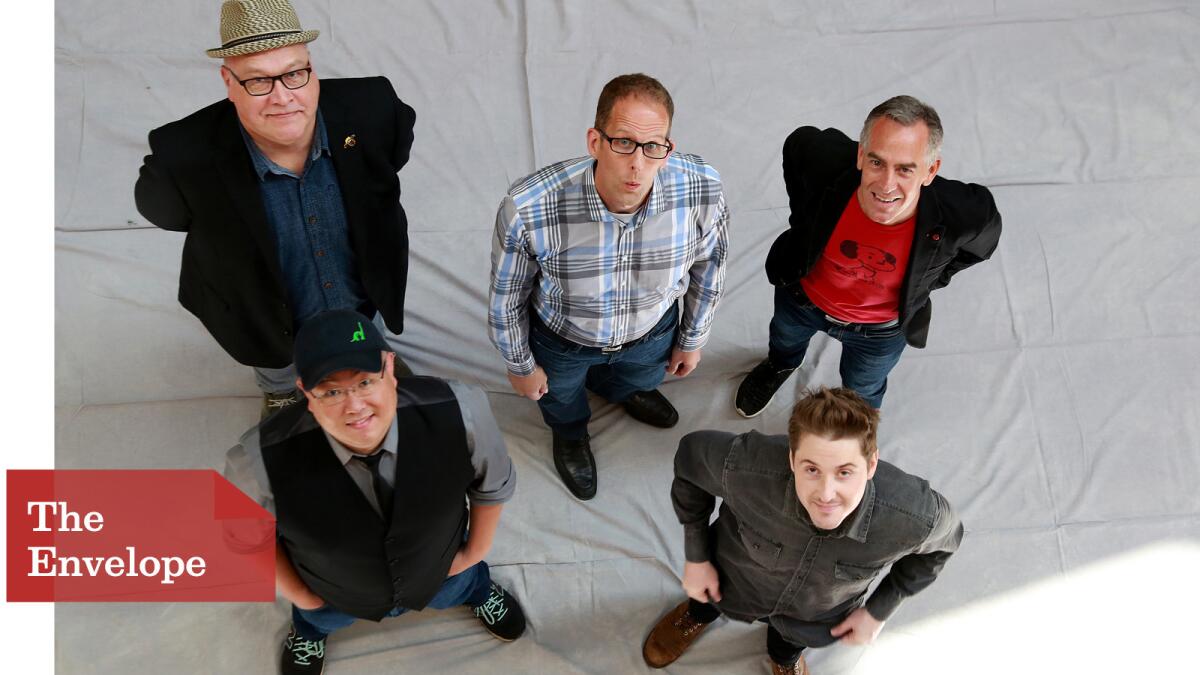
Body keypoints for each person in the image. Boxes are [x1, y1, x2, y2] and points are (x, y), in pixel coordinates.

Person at [135, 0, 417, 418]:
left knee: (361, 318)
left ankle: (365, 362)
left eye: (293, 74)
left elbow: (389, 162)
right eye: (258, 81)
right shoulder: (182, 152)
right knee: (273, 349)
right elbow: (166, 214)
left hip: (357, 284)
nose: (283, 98)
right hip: (262, 302)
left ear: (311, 68)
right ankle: (282, 388)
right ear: (228, 82)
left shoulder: (373, 107)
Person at [224, 309, 525, 674]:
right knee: (319, 618)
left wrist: (474, 553)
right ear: (305, 391)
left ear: (390, 368)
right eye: (332, 390)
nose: (355, 406)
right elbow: (247, 541)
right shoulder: (253, 460)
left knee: (460, 586)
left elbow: (492, 485)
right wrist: (301, 595)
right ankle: (309, 629)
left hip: (441, 568)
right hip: (334, 592)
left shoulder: (463, 410)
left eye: (365, 382)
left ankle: (476, 590)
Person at [488, 73, 729, 500]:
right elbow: (507, 298)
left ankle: (624, 391)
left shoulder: (702, 190)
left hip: (650, 331)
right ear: (595, 142)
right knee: (559, 398)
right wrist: (520, 364)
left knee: (642, 376)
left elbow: (709, 267)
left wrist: (692, 339)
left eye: (654, 146)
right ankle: (570, 433)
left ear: (668, 147)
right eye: (623, 143)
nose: (638, 164)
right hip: (562, 338)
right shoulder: (530, 207)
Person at [644, 387, 962, 674]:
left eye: (844, 472)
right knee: (706, 599)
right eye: (812, 469)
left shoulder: (914, 515)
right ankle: (697, 614)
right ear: (793, 460)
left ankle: (784, 658)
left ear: (871, 464)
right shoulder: (745, 466)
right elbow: (690, 458)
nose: (826, 493)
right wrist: (697, 556)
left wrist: (880, 609)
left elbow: (944, 546)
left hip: (813, 615)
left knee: (789, 642)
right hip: (731, 580)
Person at [735, 96, 1001, 416]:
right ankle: (781, 364)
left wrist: (931, 277)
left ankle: (856, 426)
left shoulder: (964, 212)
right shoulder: (822, 161)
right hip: (802, 299)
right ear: (861, 155)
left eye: (905, 169)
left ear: (931, 170)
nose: (886, 185)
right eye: (877, 162)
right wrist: (803, 223)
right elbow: (797, 146)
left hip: (880, 331)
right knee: (783, 342)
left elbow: (983, 241)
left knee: (862, 391)